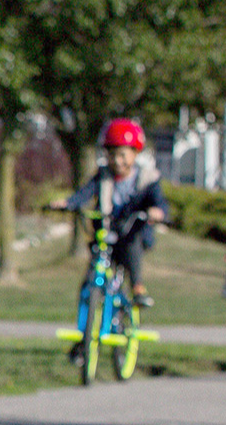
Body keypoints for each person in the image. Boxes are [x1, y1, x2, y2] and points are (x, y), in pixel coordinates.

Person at [50, 118, 167, 363]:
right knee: (89, 282)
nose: (117, 161)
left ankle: (137, 287)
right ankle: (83, 339)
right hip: (106, 236)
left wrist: (156, 212)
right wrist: (68, 203)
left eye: (123, 155)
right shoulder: (102, 176)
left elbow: (159, 202)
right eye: (112, 155)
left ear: (135, 154)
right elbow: (84, 194)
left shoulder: (147, 179)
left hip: (132, 234)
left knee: (132, 246)